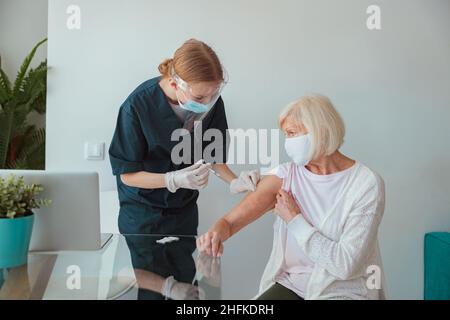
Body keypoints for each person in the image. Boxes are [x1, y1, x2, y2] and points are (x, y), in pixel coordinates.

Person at [197, 94, 386, 300]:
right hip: (292, 286)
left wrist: (295, 220)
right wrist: (215, 235)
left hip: (343, 290)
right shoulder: (286, 175)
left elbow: (345, 266)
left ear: (320, 132)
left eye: (292, 133)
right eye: (285, 135)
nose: (288, 143)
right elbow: (230, 222)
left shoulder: (366, 184)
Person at [109, 39, 260, 235]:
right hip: (142, 214)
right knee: (146, 266)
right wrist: (172, 179)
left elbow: (212, 157)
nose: (207, 103)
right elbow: (127, 174)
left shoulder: (211, 102)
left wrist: (234, 181)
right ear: (174, 83)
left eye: (213, 95)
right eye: (199, 98)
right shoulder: (137, 106)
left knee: (184, 265)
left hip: (183, 212)